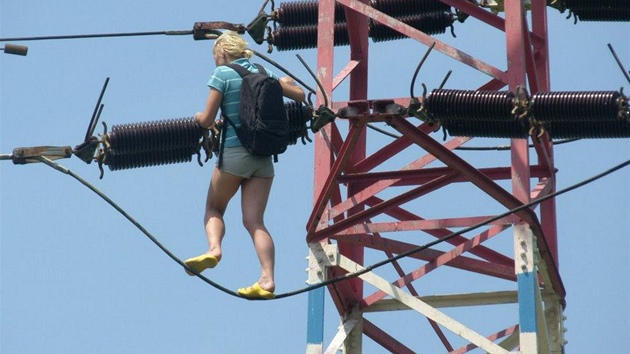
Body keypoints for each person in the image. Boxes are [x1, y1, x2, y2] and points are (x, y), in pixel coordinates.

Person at [184, 31, 305, 299]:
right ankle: (268, 279)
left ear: (223, 53)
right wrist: (285, 82)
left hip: (234, 156)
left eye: (217, 57)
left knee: (214, 207)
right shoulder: (263, 73)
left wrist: (198, 117)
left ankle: (214, 250)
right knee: (255, 221)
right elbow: (300, 96)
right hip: (263, 159)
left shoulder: (223, 74)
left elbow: (207, 120)